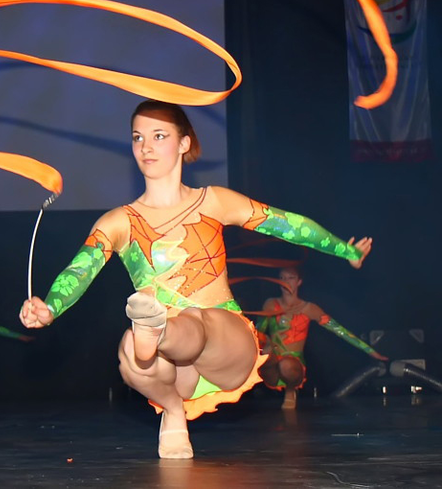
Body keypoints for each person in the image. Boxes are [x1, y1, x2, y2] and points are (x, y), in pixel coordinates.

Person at [19, 99, 372, 459]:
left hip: (226, 345)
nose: (146, 146)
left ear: (184, 143)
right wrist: (50, 307)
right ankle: (172, 408)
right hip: (173, 372)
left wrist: (345, 250)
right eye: (138, 137)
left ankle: (155, 330)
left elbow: (288, 225)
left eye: (159, 136)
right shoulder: (117, 222)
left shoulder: (213, 201)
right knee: (130, 351)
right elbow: (79, 270)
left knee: (189, 322)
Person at [256, 266, 387, 410]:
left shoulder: (309, 308)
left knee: (286, 365)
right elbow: (258, 331)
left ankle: (290, 391)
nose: (285, 282)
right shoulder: (270, 304)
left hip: (293, 364)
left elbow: (339, 330)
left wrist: (370, 351)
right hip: (272, 363)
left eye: (290, 278)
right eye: (282, 278)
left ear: (299, 282)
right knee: (266, 353)